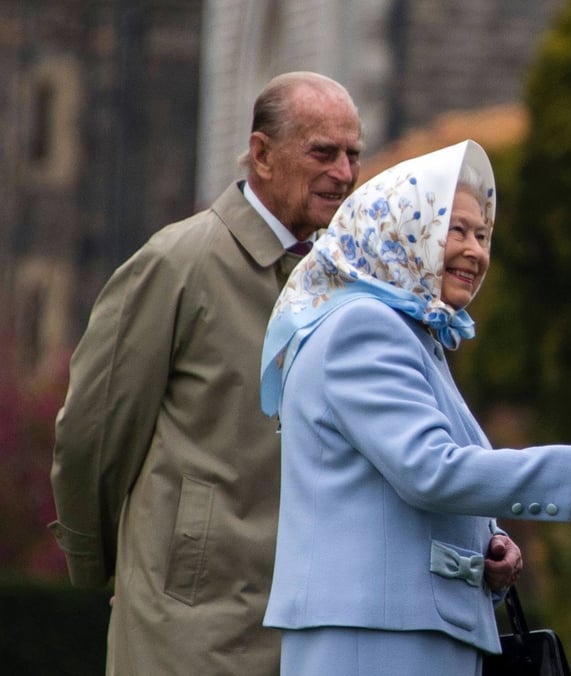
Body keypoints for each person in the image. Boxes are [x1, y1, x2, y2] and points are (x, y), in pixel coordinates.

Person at [259, 139, 571, 675]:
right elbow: (429, 468)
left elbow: (397, 489)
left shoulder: (409, 332)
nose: (475, 251)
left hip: (399, 634)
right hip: (373, 639)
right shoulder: (365, 326)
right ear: (406, 226)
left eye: (483, 235)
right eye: (457, 229)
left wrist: (488, 544)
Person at [48, 71, 364, 675]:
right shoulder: (178, 262)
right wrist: (105, 569)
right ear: (263, 155)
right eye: (322, 152)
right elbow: (95, 432)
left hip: (308, 621)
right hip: (186, 623)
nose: (344, 174)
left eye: (353, 154)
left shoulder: (346, 280)